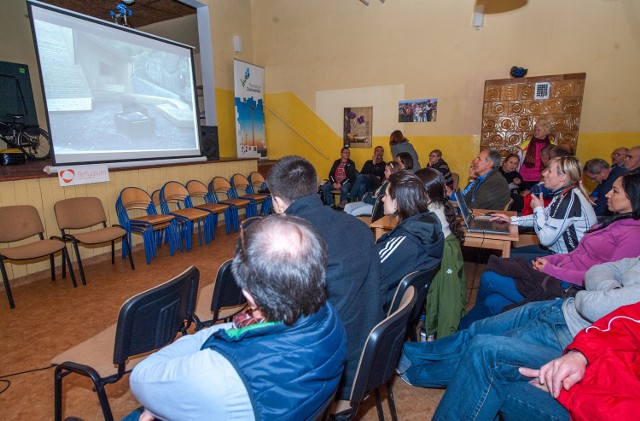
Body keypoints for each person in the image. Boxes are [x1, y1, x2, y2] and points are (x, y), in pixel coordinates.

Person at [127, 215, 347, 421]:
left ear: (249, 297)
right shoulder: (330, 317)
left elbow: (141, 378)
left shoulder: (218, 374)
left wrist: (214, 333)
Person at [398, 256, 640, 421]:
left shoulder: (627, 233)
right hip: (575, 324)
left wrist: (571, 392)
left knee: (485, 351)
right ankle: (404, 356)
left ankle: (412, 371)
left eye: (615, 191)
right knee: (479, 332)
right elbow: (602, 275)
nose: (608, 195)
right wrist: (582, 354)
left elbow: (598, 305)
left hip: (574, 339)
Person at [266, 156, 383, 401]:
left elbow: (284, 320)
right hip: (367, 361)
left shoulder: (290, 242)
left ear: (277, 202)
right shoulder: (360, 227)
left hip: (326, 376)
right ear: (316, 188)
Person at [459, 170, 640, 327]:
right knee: (492, 300)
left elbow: (600, 280)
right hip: (559, 270)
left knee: (491, 276)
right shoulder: (615, 221)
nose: (607, 194)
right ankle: (470, 329)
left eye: (615, 191)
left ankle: (464, 328)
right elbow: (576, 254)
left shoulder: (633, 235)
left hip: (568, 288)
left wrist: (552, 269)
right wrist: (552, 262)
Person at [521, 298, 640, 420]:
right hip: (589, 369)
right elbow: (626, 323)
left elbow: (588, 305)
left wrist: (568, 391)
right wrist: (581, 354)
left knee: (507, 381)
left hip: (583, 402)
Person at [491, 156, 597, 262]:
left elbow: (545, 239)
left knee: (502, 261)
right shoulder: (563, 194)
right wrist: (512, 220)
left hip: (568, 260)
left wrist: (538, 209)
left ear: (563, 178)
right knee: (505, 256)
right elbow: (543, 217)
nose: (544, 174)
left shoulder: (568, 201)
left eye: (549, 171)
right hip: (555, 251)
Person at [375, 171, 444, 311]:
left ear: (396, 203)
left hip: (382, 309)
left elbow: (370, 268)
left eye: (386, 195)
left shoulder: (406, 240)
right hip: (403, 306)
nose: (382, 199)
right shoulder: (430, 225)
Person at [415, 168, 466, 340]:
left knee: (444, 302)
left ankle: (436, 339)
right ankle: (429, 333)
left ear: (425, 193)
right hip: (445, 254)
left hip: (444, 261)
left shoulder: (430, 215)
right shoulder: (438, 205)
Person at [517, 119, 554, 190]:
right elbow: (518, 164)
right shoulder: (525, 145)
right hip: (525, 179)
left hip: (544, 179)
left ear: (546, 132)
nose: (536, 132)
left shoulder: (552, 146)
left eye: (539, 130)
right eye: (535, 130)